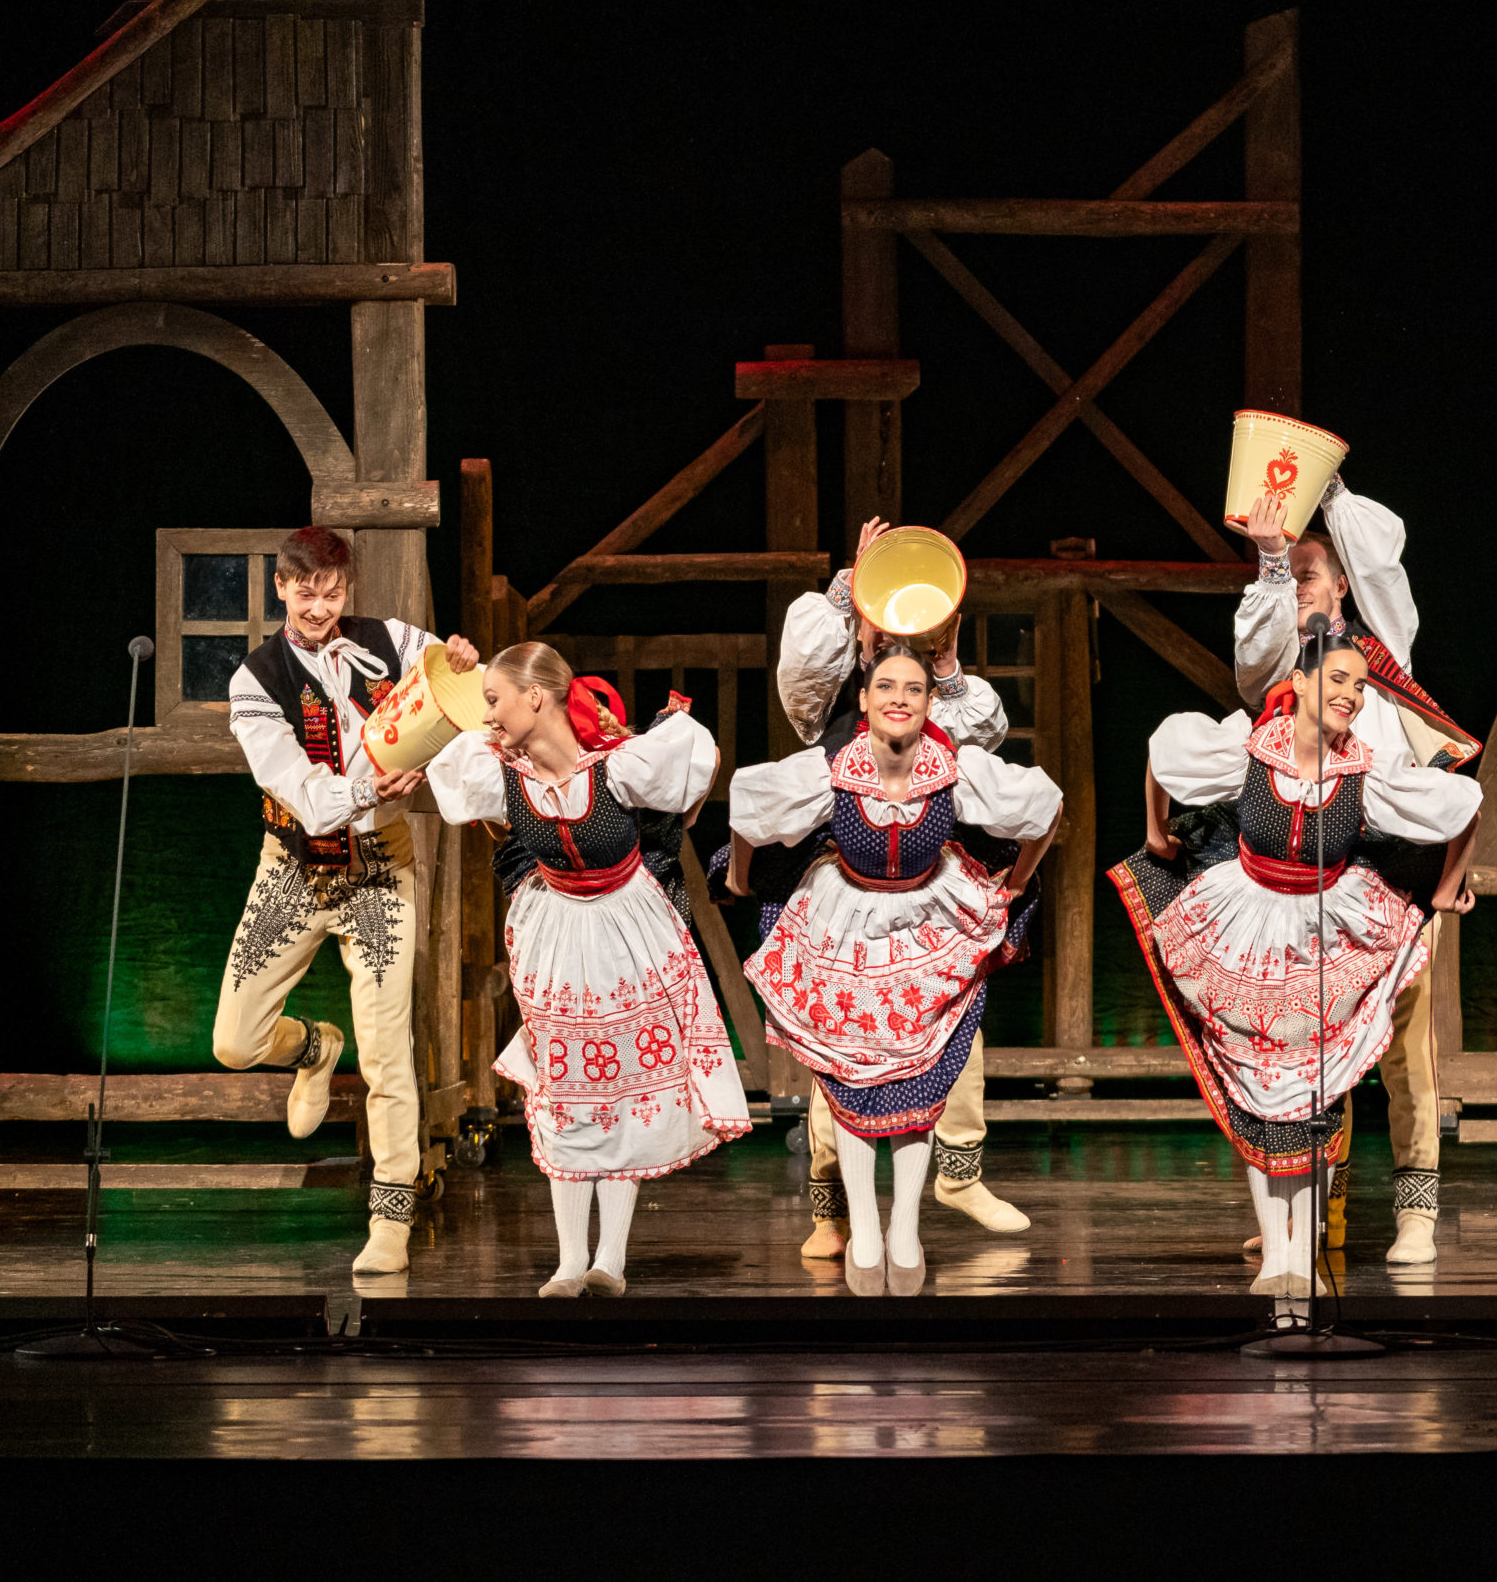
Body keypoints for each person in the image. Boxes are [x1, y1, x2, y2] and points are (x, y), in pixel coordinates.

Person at [1114, 631, 1482, 1296]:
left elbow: (1463, 806)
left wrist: (1445, 888)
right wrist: (1155, 834)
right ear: (1303, 681)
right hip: (1247, 924)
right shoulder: (1251, 747)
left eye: (1360, 685)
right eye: (1337, 679)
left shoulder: (1363, 770)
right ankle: (1276, 1253)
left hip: (1328, 931)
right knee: (1258, 1087)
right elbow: (1164, 752)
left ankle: (1303, 1254)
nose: (1350, 694)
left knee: (1316, 1090)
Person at [727, 648, 1061, 1296]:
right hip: (846, 924)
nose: (899, 698)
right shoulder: (832, 767)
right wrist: (741, 878)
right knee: (849, 1081)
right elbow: (751, 805)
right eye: (885, 686)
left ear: (930, 701)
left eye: (913, 688)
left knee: (921, 1079)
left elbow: (1042, 807)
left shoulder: (953, 767)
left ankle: (904, 1226)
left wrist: (1018, 881)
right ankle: (861, 1229)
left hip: (926, 921)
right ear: (864, 697)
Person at [739, 519, 1028, 1260]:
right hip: (846, 875)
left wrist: (948, 665)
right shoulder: (836, 687)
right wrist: (848, 589)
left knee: (951, 1026)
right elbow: (802, 676)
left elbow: (981, 739)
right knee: (839, 1046)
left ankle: (959, 1174)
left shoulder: (930, 691)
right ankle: (833, 1208)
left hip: (924, 875)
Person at [426, 647, 747, 1296]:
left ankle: (610, 1260)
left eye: (495, 699)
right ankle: (570, 1260)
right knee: (565, 1089)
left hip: (630, 930)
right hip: (558, 931)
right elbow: (452, 779)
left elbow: (698, 758)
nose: (487, 716)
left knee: (622, 1088)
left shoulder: (617, 769)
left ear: (535, 697)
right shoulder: (504, 775)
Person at [214, 525, 476, 1277]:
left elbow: (458, 687)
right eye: (306, 593)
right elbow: (297, 786)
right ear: (281, 587)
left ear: (346, 588)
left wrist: (460, 661)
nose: (319, 608)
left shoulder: (389, 639)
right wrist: (366, 789)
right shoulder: (254, 680)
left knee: (389, 1049)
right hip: (293, 865)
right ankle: (315, 1049)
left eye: (332, 593)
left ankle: (391, 1213)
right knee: (234, 1040)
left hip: (379, 866)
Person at [1230, 476, 1478, 1266]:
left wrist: (1329, 491)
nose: (1300, 584)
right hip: (1310, 879)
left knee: (1406, 1054)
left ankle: (1416, 1212)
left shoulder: (1381, 652)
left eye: (1311, 572)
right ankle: (1318, 1208)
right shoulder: (1285, 664)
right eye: (1292, 573)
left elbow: (1384, 564)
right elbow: (1249, 665)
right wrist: (1272, 562)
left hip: (1390, 870)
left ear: (1342, 584)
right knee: (1311, 1050)